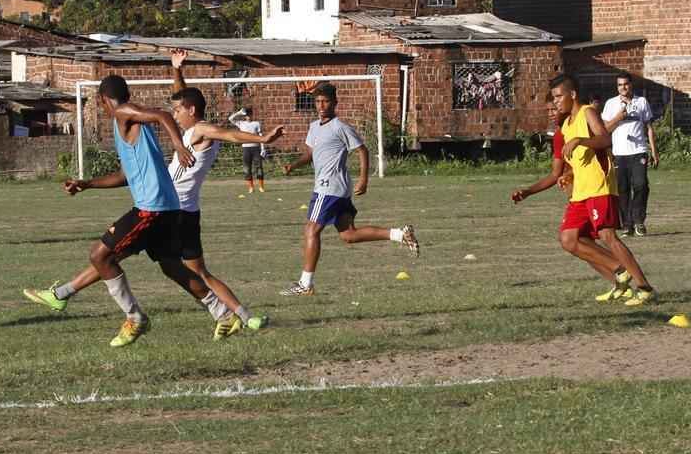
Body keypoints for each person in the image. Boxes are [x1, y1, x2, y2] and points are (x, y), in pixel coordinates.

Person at [24, 53, 286, 338]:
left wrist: (257, 139)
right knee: (169, 266)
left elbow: (173, 117)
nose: (174, 113)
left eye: (179, 110)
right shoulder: (141, 127)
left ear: (102, 100)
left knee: (102, 255)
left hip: (158, 207)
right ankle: (223, 313)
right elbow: (127, 174)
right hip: (169, 207)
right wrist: (87, 184)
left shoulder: (131, 114)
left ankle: (134, 317)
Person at [279, 82, 419, 296]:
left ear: (335, 103)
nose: (321, 105)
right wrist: (293, 165)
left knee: (311, 230)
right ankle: (400, 234)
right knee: (348, 235)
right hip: (335, 189)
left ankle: (305, 284)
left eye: (325, 101)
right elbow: (310, 154)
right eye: (318, 101)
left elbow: (362, 150)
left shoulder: (341, 127)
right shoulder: (314, 127)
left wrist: (364, 179)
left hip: (329, 187)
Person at [548, 73, 656, 306]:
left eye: (558, 96)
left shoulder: (587, 112)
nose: (555, 101)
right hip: (580, 192)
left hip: (599, 187)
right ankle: (619, 274)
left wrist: (580, 140)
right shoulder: (566, 125)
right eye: (553, 98)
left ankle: (644, 287)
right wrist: (569, 174)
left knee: (608, 236)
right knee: (569, 240)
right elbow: (579, 160)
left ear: (572, 94)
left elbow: (606, 140)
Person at [601, 72, 658, 237]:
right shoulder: (611, 104)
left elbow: (649, 127)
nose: (623, 87)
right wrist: (618, 117)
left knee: (640, 185)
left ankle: (639, 221)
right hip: (619, 153)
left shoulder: (641, 102)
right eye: (620, 85)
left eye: (626, 84)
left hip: (638, 151)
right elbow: (605, 130)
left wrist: (654, 150)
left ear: (631, 84)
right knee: (622, 189)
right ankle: (627, 224)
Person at [229, 105, 267, 193]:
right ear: (244, 116)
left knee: (259, 167)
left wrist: (263, 148)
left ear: (252, 115)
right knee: (247, 168)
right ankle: (251, 187)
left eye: (249, 115)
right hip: (246, 148)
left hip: (256, 147)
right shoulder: (241, 123)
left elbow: (261, 136)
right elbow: (230, 119)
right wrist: (239, 112)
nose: (248, 117)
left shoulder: (256, 123)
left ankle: (261, 186)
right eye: (246, 115)